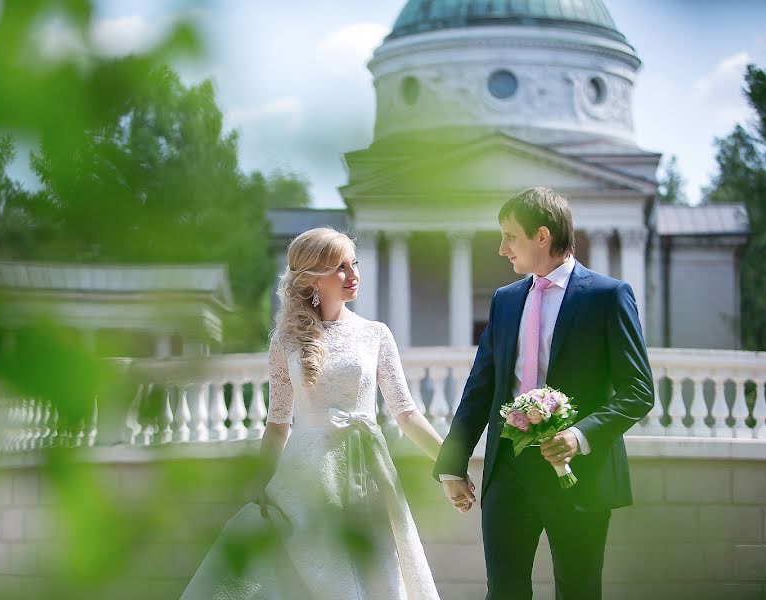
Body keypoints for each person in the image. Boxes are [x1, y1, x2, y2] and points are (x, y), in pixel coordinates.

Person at [182, 227, 446, 600]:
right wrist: (258, 484)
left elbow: (406, 412)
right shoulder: (285, 340)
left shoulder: (376, 334)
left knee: (372, 568)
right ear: (311, 280)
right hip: (304, 476)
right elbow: (277, 424)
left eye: (353, 263)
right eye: (339, 267)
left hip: (365, 470)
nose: (353, 274)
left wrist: (450, 461)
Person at [434, 187, 654, 599]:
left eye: (510, 237)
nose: (502, 249)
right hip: (507, 473)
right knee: (504, 591)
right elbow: (480, 387)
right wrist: (452, 464)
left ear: (541, 236)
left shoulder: (608, 296)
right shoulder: (504, 301)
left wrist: (578, 436)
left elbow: (638, 390)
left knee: (579, 590)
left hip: (580, 475)